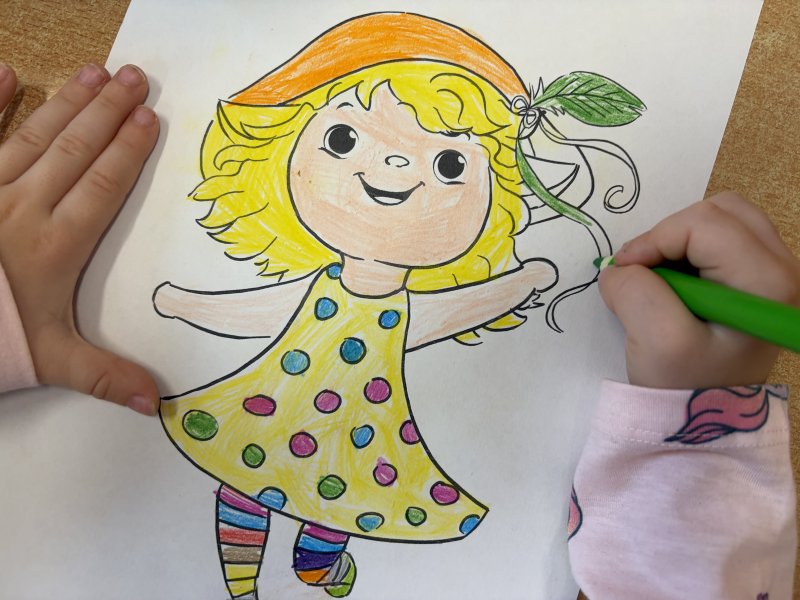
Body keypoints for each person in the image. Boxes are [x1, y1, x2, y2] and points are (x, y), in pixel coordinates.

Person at [0, 61, 797, 600]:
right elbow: (265, 314)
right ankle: (243, 579)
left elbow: (450, 312)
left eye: (450, 166)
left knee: (334, 498)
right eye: (344, 138)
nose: (391, 171)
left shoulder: (403, 305)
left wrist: (519, 282)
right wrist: (189, 304)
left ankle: (315, 568)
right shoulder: (322, 284)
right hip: (269, 410)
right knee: (246, 481)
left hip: (357, 429)